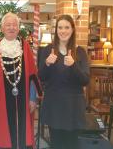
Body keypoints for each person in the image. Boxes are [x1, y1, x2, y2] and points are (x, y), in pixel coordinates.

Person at [0, 12, 42, 149]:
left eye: (14, 25)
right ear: (2, 29)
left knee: (23, 134)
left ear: (18, 28)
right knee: (3, 137)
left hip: (24, 99)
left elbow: (32, 74)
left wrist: (32, 98)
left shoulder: (24, 46)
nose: (11, 28)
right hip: (1, 99)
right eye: (8, 25)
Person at [38, 14, 90, 149]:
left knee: (72, 144)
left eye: (67, 27)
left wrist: (73, 65)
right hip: (54, 105)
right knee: (56, 143)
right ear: (56, 30)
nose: (63, 31)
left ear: (72, 29)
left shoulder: (80, 52)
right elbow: (41, 77)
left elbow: (85, 80)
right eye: (60, 27)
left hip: (73, 106)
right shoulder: (48, 50)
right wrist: (47, 64)